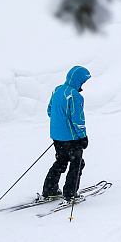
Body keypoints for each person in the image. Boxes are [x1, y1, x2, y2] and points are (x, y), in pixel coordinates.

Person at [42, 65, 91, 201]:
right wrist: (83, 137)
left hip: (57, 136)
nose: (83, 84)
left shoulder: (57, 90)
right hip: (72, 138)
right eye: (83, 81)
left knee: (61, 161)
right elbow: (78, 119)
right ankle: (70, 193)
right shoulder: (75, 96)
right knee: (77, 164)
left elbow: (50, 111)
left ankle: (50, 189)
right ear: (78, 80)